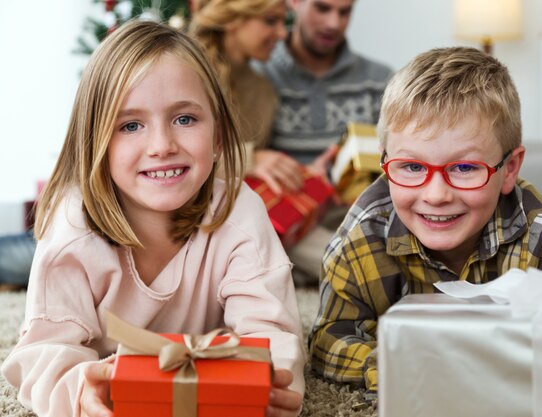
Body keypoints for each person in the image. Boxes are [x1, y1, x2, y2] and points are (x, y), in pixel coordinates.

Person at [1, 20, 304, 417]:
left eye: (184, 119)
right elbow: (43, 354)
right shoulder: (74, 229)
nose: (162, 146)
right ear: (95, 143)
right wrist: (80, 390)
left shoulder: (238, 210)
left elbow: (272, 332)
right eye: (130, 125)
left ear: (217, 138)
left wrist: (271, 380)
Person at [309, 47, 542, 396]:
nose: (436, 195)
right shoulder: (361, 236)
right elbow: (329, 340)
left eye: (464, 168)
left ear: (509, 169)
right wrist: (398, 366)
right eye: (412, 167)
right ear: (385, 162)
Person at [254, 0, 394, 283]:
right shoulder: (260, 75)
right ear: (294, 3)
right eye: (322, 8)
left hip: (355, 215)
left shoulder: (380, 81)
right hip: (289, 215)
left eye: (345, 12)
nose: (334, 23)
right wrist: (304, 178)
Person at [189, 0, 307, 189]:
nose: (283, 33)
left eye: (284, 21)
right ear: (230, 19)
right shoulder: (186, 75)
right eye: (270, 20)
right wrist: (249, 160)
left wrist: (308, 176)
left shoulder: (263, 92)